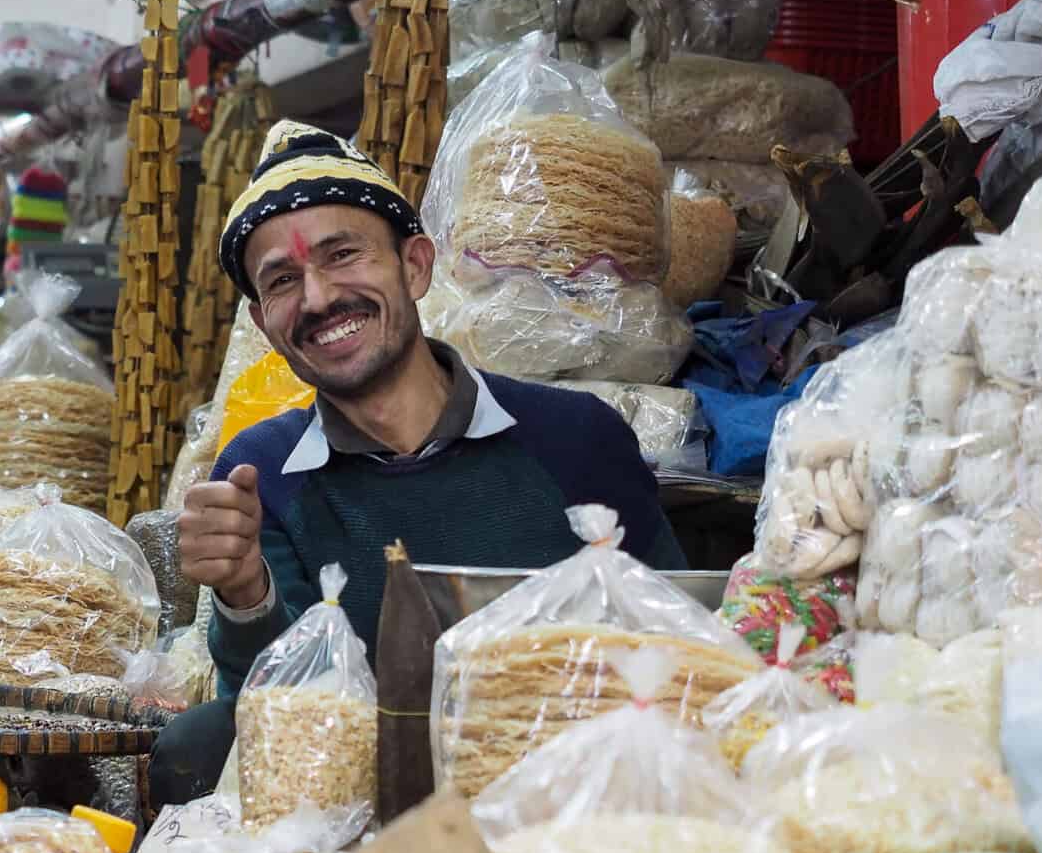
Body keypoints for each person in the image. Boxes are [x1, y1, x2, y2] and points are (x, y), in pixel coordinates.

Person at [149, 122, 689, 809]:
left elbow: (679, 633)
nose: (317, 299)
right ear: (263, 325)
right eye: (283, 281)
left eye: (342, 255)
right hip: (367, 797)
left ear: (415, 266)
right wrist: (244, 594)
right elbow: (274, 713)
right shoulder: (263, 470)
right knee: (199, 742)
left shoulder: (576, 438)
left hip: (578, 788)